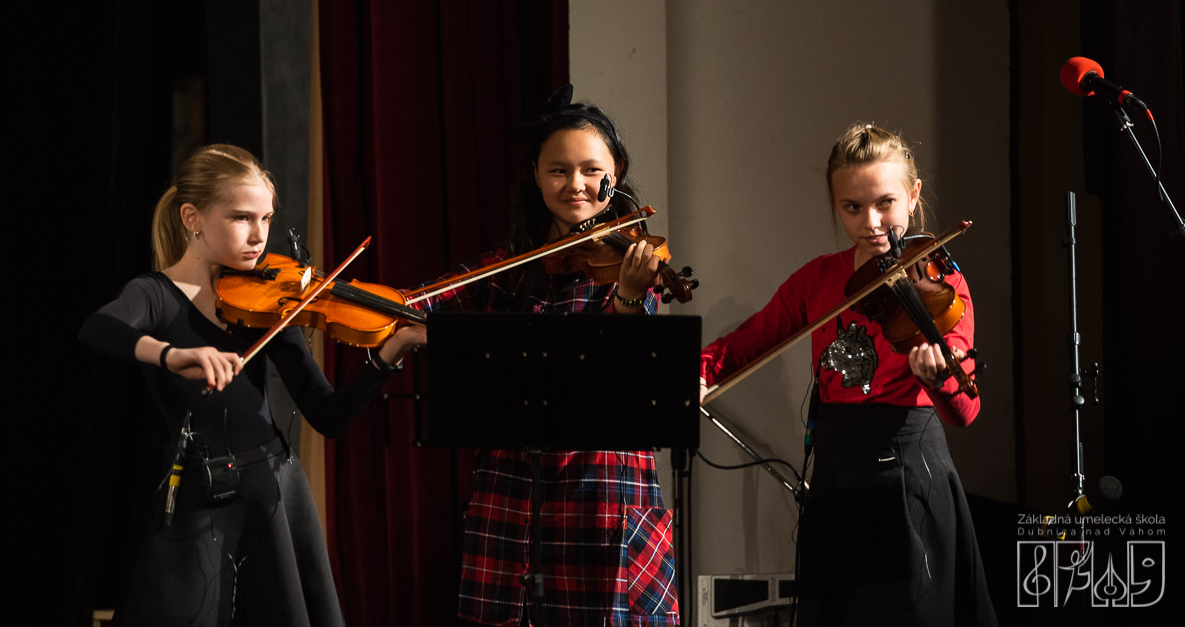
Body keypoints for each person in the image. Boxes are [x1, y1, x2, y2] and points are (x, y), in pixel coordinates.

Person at [79, 144, 426, 627]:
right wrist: (171, 354)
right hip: (203, 494)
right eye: (242, 218)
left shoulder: (270, 301)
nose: (259, 236)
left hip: (274, 491)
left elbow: (327, 416)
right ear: (192, 217)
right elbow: (99, 329)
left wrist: (388, 354)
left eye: (266, 219)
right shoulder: (154, 295)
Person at [699, 124, 997, 627]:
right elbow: (747, 342)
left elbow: (965, 411)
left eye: (885, 203)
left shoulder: (941, 282)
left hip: (909, 476)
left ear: (914, 195)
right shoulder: (817, 279)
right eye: (852, 208)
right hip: (837, 477)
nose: (871, 222)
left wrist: (938, 378)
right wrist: (698, 371)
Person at [413, 86, 679, 627]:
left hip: (604, 492)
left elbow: (633, 375)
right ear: (535, 175)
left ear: (617, 173)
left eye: (590, 170)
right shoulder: (505, 268)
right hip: (514, 493)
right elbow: (416, 305)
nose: (575, 185)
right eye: (558, 170)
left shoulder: (636, 262)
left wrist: (628, 297)